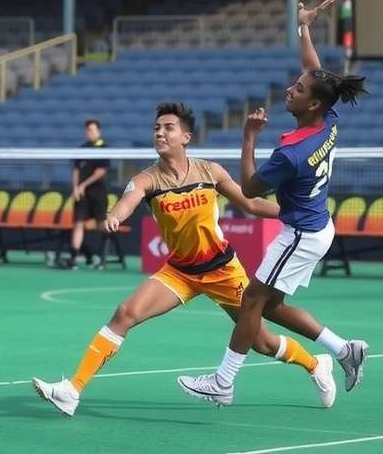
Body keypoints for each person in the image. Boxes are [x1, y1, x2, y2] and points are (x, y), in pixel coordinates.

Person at [32, 102, 336, 417]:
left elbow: (253, 204)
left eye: (168, 128)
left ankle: (315, 364)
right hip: (179, 272)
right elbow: (126, 201)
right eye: (156, 129)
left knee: (261, 342)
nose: (160, 133)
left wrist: (299, 215)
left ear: (186, 137)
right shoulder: (146, 180)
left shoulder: (210, 171)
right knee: (124, 314)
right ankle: (72, 390)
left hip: (223, 271)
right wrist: (113, 215)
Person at [178, 0, 369, 407]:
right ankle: (342, 350)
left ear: (312, 104)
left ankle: (223, 382)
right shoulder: (329, 120)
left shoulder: (292, 154)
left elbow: (247, 189)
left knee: (251, 300)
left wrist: (248, 136)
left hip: (301, 233)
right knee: (269, 306)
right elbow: (314, 69)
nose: (290, 89)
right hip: (316, 225)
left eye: (298, 90)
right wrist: (304, 26)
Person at [63, 119, 109, 270]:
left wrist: (83, 184)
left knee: (101, 225)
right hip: (81, 194)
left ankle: (101, 258)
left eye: (93, 130)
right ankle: (74, 257)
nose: (91, 132)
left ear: (99, 131)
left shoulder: (103, 148)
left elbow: (100, 172)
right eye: (88, 130)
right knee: (78, 223)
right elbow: (76, 170)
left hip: (97, 193)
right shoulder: (82, 148)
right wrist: (76, 187)